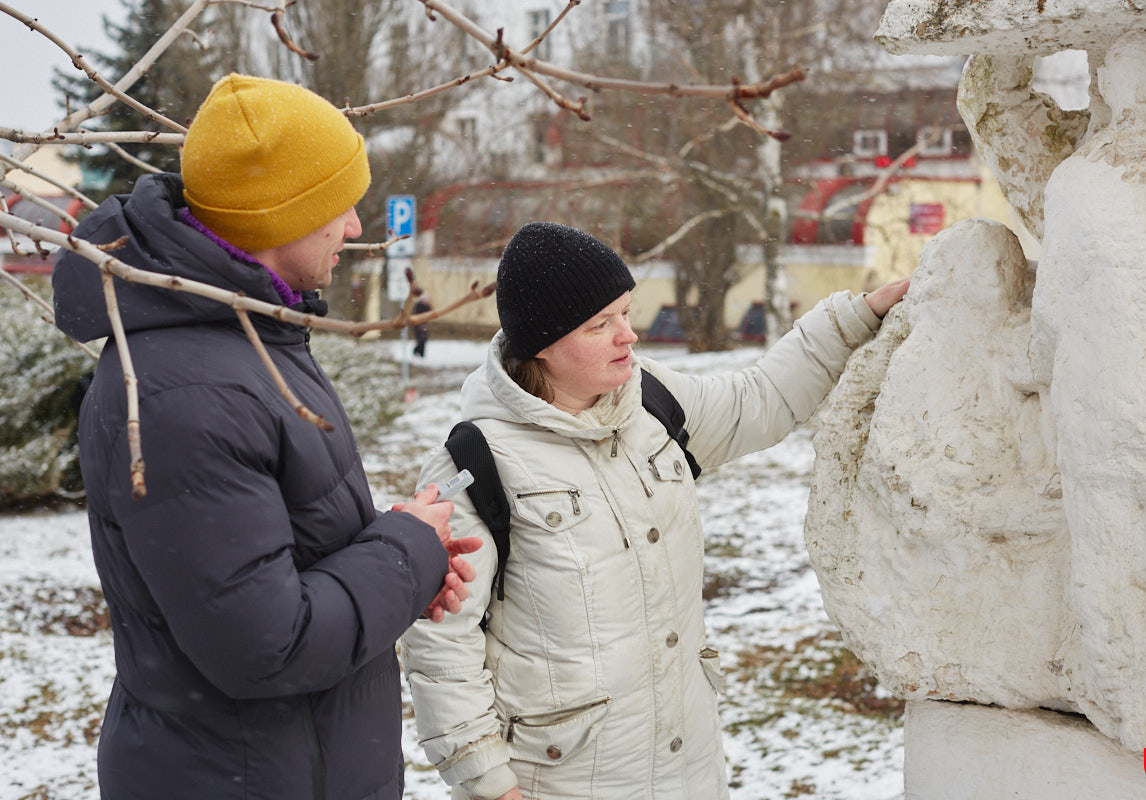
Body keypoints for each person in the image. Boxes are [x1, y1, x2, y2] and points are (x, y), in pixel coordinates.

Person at [52, 73, 481, 800]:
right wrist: (404, 554)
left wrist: (408, 562)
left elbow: (270, 560)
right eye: (338, 205)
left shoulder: (247, 341)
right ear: (281, 216)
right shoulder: (189, 392)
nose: (354, 227)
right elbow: (266, 646)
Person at [398, 221, 909, 799]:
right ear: (542, 343)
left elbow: (758, 401)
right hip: (560, 782)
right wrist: (489, 784)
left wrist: (854, 318)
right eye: (600, 324)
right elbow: (441, 644)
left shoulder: (651, 401)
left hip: (688, 770)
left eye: (625, 312)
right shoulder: (475, 464)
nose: (629, 335)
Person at [412, 291, 432, 358]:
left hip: (424, 325)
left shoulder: (427, 306)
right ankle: (416, 352)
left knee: (424, 340)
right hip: (418, 325)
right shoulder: (418, 305)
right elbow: (415, 314)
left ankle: (421, 353)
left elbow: (430, 314)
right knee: (420, 340)